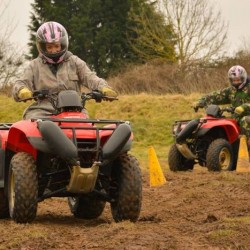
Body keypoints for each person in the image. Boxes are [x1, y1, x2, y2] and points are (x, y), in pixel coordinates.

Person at [12, 21, 118, 119]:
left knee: (87, 129)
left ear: (63, 44)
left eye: (57, 46)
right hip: (43, 110)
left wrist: (103, 88)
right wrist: (22, 90)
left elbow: (90, 77)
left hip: (75, 109)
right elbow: (21, 82)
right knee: (32, 124)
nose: (54, 50)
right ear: (42, 47)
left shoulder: (75, 61)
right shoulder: (34, 65)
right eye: (49, 47)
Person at [193, 65, 250, 141]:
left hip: (247, 117)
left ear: (244, 78)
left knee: (245, 120)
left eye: (238, 80)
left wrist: (244, 107)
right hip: (236, 118)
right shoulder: (231, 91)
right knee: (223, 123)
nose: (236, 82)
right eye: (234, 80)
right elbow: (214, 96)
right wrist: (201, 101)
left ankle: (246, 146)